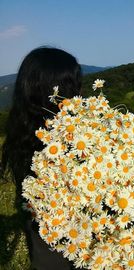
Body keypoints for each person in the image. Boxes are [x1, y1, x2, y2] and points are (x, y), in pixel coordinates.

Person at [1, 47, 83, 270]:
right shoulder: (70, 141)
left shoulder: (21, 136)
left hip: (46, 244)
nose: (78, 93)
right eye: (72, 84)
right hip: (68, 242)